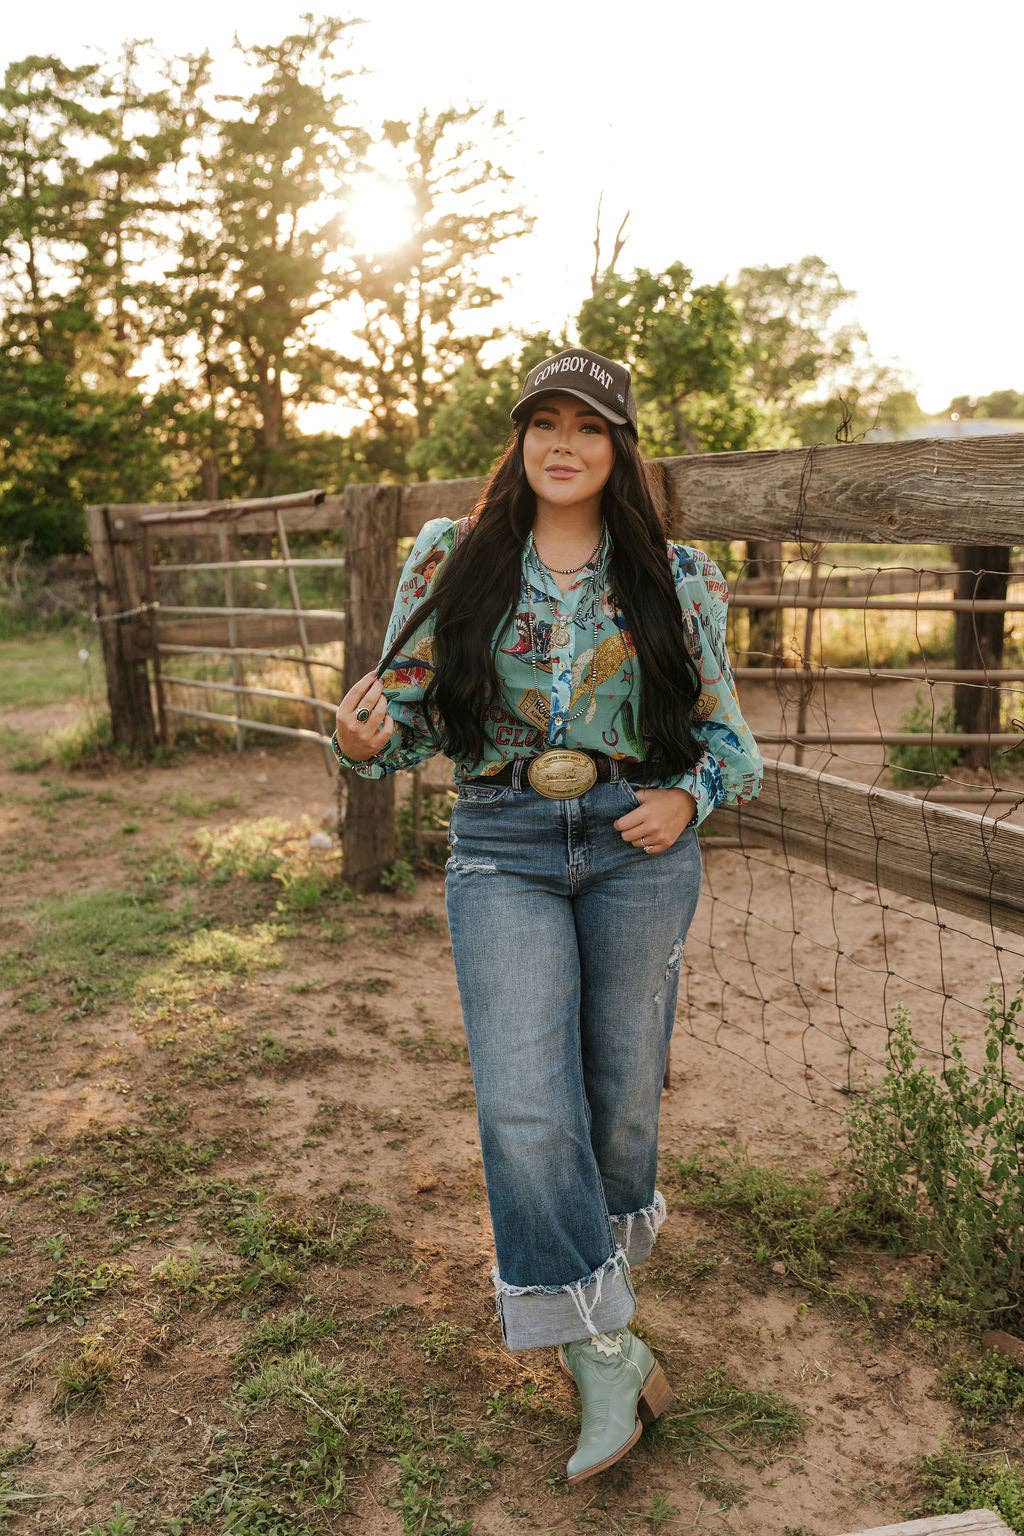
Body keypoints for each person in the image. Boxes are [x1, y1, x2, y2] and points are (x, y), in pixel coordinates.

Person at [333, 346, 764, 1484]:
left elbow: (730, 745)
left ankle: (602, 1319)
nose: (563, 444)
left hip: (637, 846)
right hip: (503, 846)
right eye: (543, 424)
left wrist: (687, 795)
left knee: (618, 1104)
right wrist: (363, 740)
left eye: (589, 426)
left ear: (619, 447)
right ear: (518, 441)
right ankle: (602, 1346)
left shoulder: (678, 575)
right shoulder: (450, 557)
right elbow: (410, 729)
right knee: (526, 1099)